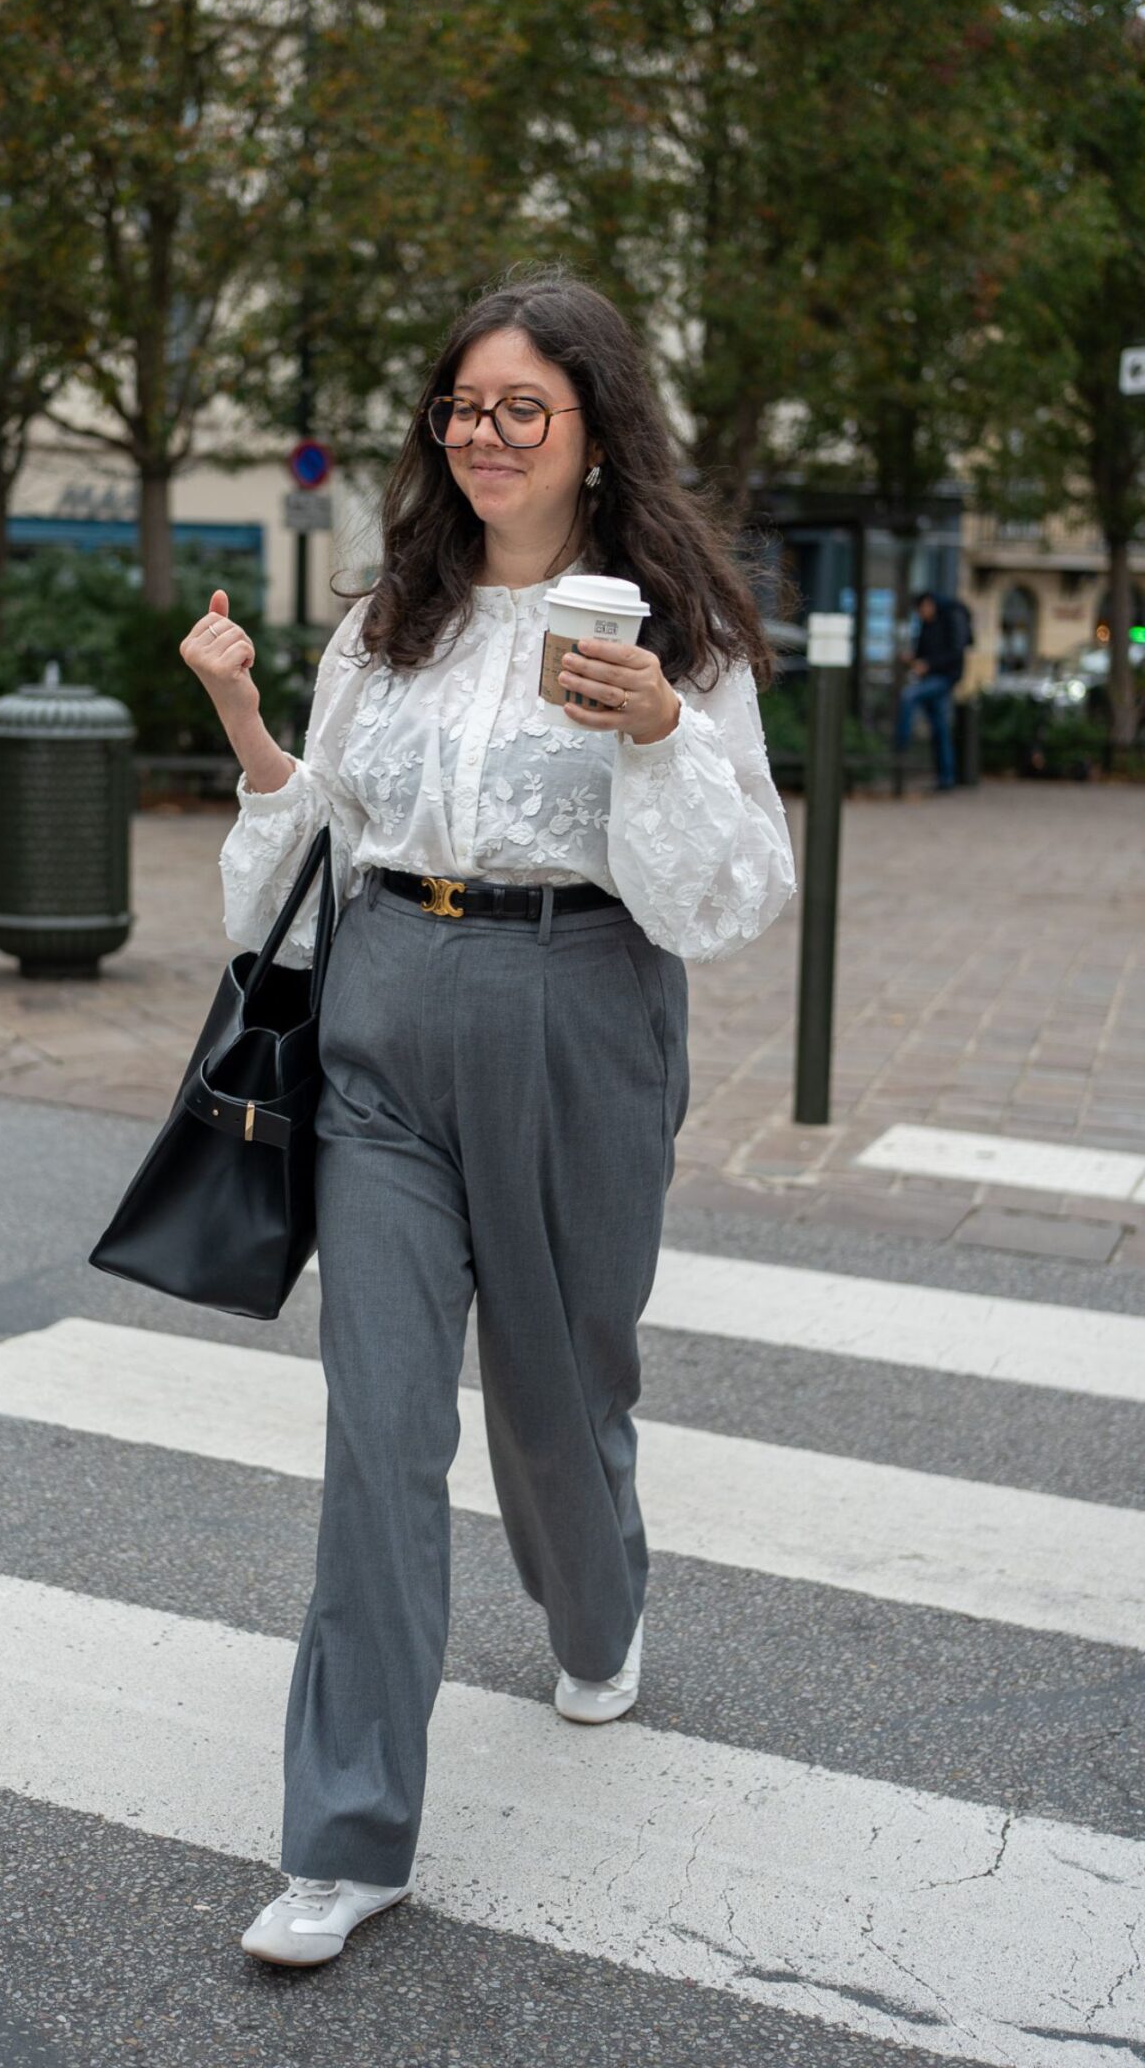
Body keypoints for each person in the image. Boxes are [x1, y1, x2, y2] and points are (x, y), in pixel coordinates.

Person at [180, 270, 797, 1969]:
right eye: (464, 406)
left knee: (558, 1387)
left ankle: (598, 1612)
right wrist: (246, 724)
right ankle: (348, 1832)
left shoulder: (681, 638)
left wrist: (666, 735)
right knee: (378, 1429)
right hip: (382, 1023)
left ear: (597, 435)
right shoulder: (387, 625)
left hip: (579, 1018)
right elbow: (296, 868)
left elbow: (735, 893)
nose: (487, 436)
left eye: (525, 407)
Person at [894, 590, 965, 790]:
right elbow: (922, 652)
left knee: (909, 696)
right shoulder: (926, 625)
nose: (920, 613)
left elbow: (954, 654)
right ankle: (946, 777)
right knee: (940, 728)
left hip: (943, 678)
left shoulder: (948, 622)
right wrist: (913, 658)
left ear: (929, 604)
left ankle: (901, 745)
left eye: (921, 609)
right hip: (931, 677)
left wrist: (929, 665)